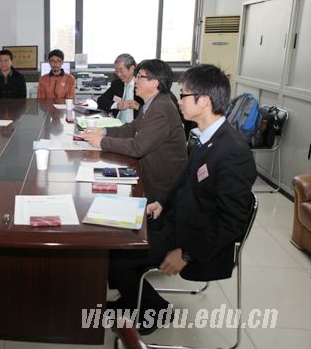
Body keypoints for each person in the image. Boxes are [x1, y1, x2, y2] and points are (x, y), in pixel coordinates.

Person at [106, 64, 257, 334]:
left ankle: (155, 310)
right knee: (115, 237)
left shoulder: (233, 152)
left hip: (193, 238)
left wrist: (187, 253)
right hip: (176, 220)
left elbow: (232, 221)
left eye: (184, 95)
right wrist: (162, 202)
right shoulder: (206, 137)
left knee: (115, 259)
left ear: (204, 101)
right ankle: (134, 300)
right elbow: (184, 180)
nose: (179, 101)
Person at [81, 59, 187, 204]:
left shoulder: (161, 108)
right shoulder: (153, 102)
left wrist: (102, 142)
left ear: (154, 82)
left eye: (140, 76)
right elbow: (131, 129)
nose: (135, 80)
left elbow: (137, 147)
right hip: (148, 172)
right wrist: (104, 132)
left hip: (162, 185)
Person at [97, 53, 144, 123]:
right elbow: (101, 100)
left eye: (121, 71)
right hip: (116, 123)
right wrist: (117, 105)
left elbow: (153, 111)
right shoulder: (117, 84)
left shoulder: (142, 86)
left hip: (135, 125)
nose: (119, 74)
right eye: (116, 71)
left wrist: (138, 107)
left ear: (132, 68)